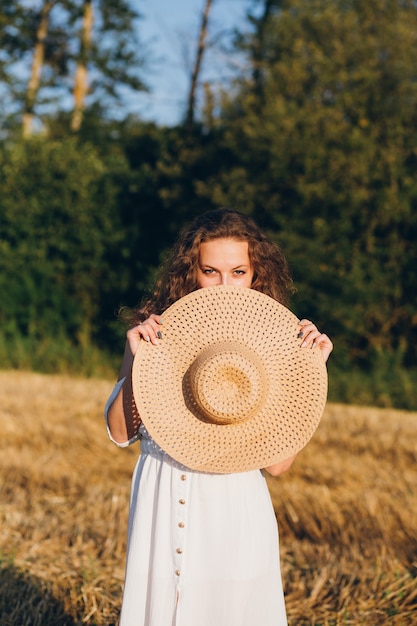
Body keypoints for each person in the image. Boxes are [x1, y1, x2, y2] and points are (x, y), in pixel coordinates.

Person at [105, 208, 333, 626]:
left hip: (233, 515)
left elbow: (278, 465)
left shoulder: (277, 342)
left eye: (238, 271)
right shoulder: (153, 331)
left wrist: (311, 373)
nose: (224, 285)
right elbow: (121, 434)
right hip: (159, 507)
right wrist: (137, 361)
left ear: (256, 275)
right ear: (191, 272)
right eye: (210, 271)